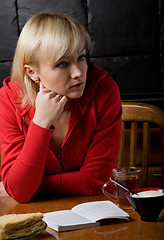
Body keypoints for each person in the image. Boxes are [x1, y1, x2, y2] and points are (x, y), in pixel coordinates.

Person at [0, 13, 122, 203]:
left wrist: (33, 185)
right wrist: (40, 123)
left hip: (93, 209)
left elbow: (97, 180)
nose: (79, 73)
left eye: (81, 57)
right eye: (62, 63)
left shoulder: (104, 90)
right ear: (32, 72)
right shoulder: (9, 99)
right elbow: (21, 192)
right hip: (36, 215)